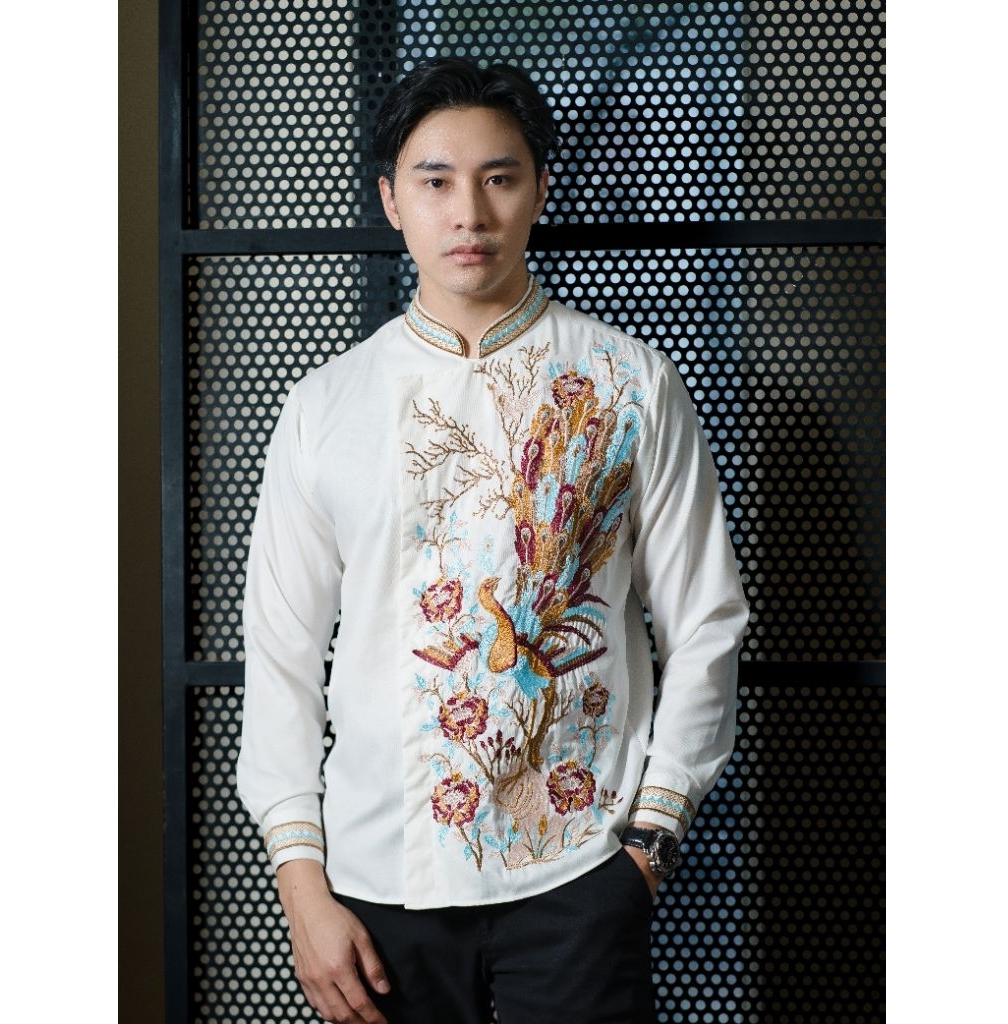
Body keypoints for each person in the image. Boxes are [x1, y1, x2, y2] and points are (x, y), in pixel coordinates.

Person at [237, 57, 749, 1024]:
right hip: (373, 883)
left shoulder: (630, 384)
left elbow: (707, 620)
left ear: (540, 190)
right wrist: (302, 887)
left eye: (499, 178)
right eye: (435, 181)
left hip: (578, 872)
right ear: (391, 200)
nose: (468, 213)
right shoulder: (323, 407)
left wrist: (649, 846)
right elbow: (281, 654)